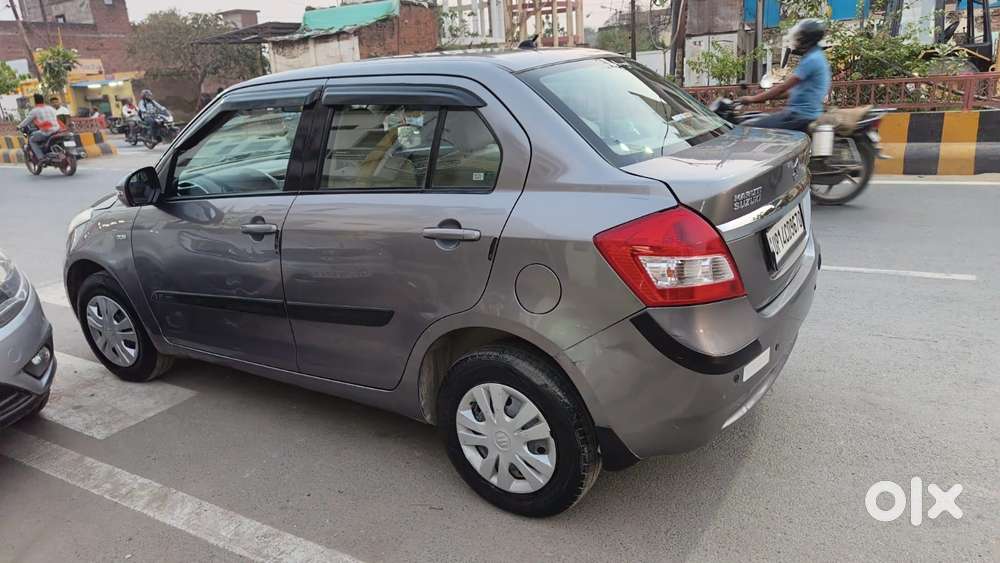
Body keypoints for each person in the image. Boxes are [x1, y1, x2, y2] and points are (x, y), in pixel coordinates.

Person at [737, 19, 832, 133]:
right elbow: (792, 92)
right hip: (804, 115)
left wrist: (751, 99)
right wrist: (761, 97)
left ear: (806, 39)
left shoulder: (812, 59)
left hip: (799, 117)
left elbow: (783, 87)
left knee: (749, 129)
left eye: (799, 37)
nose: (797, 40)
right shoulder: (816, 56)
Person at [18, 93, 62, 161]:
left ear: (35, 101)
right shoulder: (50, 108)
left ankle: (41, 157)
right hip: (57, 129)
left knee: (31, 140)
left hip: (47, 131)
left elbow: (27, 121)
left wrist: (19, 126)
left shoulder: (35, 110)